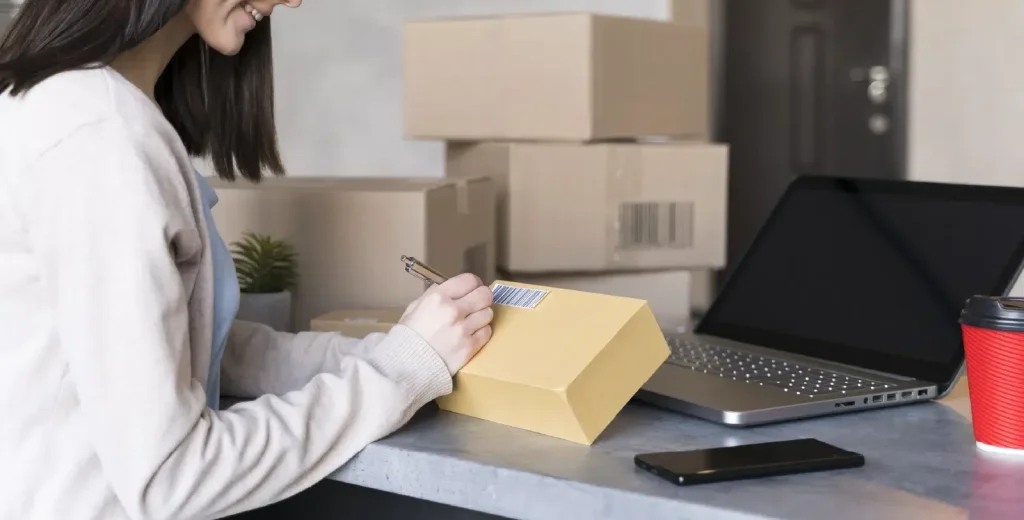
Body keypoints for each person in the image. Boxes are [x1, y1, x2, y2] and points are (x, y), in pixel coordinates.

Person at [0, 0, 495, 518]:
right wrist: (399, 373)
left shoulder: (71, 105)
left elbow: (192, 344)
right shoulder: (98, 137)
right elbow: (174, 477)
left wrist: (395, 353)